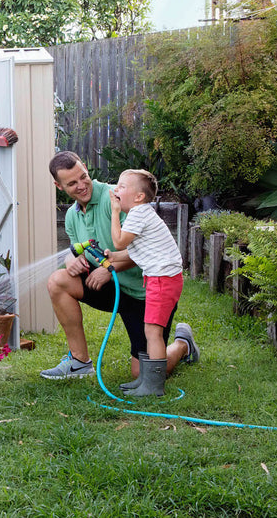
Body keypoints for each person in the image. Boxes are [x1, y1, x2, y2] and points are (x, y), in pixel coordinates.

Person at [40, 151, 198, 384]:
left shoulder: (119, 198)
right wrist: (70, 261)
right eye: (72, 183)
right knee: (58, 280)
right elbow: (78, 249)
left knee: (144, 373)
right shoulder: (72, 216)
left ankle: (183, 344)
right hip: (111, 289)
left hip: (144, 292)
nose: (82, 185)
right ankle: (79, 361)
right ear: (59, 186)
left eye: (83, 177)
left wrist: (107, 269)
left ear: (85, 167)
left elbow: (147, 249)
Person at [106, 169, 190, 396]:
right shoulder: (142, 213)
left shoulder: (138, 213)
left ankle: (154, 386)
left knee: (153, 332)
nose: (116, 190)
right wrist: (112, 258)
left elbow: (119, 241)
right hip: (161, 278)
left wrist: (115, 212)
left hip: (162, 279)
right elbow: (135, 251)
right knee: (149, 329)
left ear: (139, 197)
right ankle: (145, 379)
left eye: (122, 186)